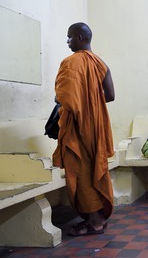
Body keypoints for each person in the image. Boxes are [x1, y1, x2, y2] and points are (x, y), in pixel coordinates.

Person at [53, 22, 115, 236]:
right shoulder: (101, 63)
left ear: (80, 37)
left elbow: (66, 99)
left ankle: (95, 222)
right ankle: (94, 218)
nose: (68, 41)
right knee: (94, 168)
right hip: (96, 125)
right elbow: (111, 95)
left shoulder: (71, 62)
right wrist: (91, 102)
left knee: (82, 172)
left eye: (69, 37)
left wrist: (66, 99)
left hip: (79, 127)